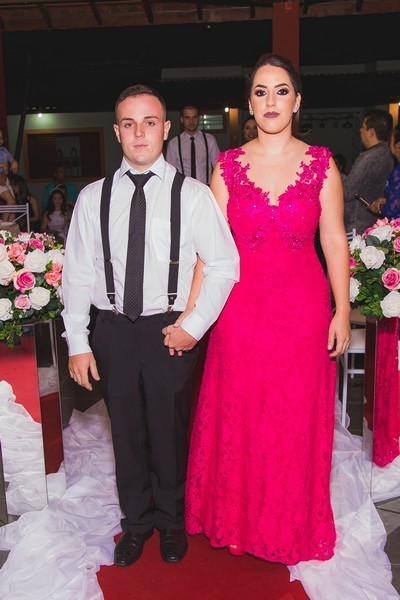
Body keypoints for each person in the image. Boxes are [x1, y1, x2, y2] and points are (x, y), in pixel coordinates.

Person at [61, 84, 239, 568]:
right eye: (129, 123)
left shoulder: (194, 195)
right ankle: (136, 524)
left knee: (168, 430)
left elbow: (224, 265)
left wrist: (194, 325)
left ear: (166, 129)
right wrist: (78, 342)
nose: (139, 133)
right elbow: (76, 274)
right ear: (117, 131)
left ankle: (172, 521)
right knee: (126, 433)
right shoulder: (92, 198)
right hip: (113, 329)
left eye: (149, 122)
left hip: (169, 330)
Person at [185, 53, 351, 564]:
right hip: (240, 313)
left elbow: (334, 241)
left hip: (302, 313)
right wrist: (191, 318)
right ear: (249, 103)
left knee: (293, 419)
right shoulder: (226, 167)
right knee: (243, 416)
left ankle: (288, 524)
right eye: (261, 92)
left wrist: (342, 311)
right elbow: (209, 252)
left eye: (281, 91)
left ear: (297, 101)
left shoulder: (322, 164)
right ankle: (238, 521)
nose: (271, 101)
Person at [343, 109, 393, 234]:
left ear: (371, 132)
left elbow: (347, 192)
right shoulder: (388, 154)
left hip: (357, 224)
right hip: (376, 223)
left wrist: (332, 172)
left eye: (363, 127)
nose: (360, 130)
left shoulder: (368, 157)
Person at [165, 104, 220, 184]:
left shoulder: (209, 140)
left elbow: (218, 166)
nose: (191, 121)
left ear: (199, 119)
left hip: (206, 187)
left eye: (194, 117)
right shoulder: (174, 144)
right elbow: (170, 171)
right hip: (183, 188)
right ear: (182, 119)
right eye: (187, 118)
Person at [369, 124, 400, 219]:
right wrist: (388, 200)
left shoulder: (398, 172)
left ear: (398, 146)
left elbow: (391, 210)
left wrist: (378, 208)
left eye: (391, 140)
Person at [0, 127, 18, 222]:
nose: (1, 140)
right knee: (11, 201)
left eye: (1, 138)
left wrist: (14, 162)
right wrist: (1, 164)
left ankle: (11, 224)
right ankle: (4, 225)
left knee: (13, 204)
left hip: (4, 179)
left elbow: (12, 160)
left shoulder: (4, 150)